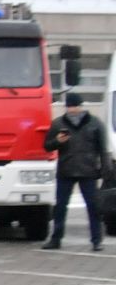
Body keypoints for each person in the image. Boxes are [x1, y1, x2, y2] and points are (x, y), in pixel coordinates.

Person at [42, 92, 108, 251]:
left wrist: (105, 170)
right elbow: (47, 146)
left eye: (75, 106)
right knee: (60, 207)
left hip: (88, 171)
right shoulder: (58, 123)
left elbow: (102, 149)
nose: (72, 110)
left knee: (93, 207)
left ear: (81, 106)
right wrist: (57, 141)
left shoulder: (95, 123)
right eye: (70, 106)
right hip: (66, 170)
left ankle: (96, 240)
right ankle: (56, 239)